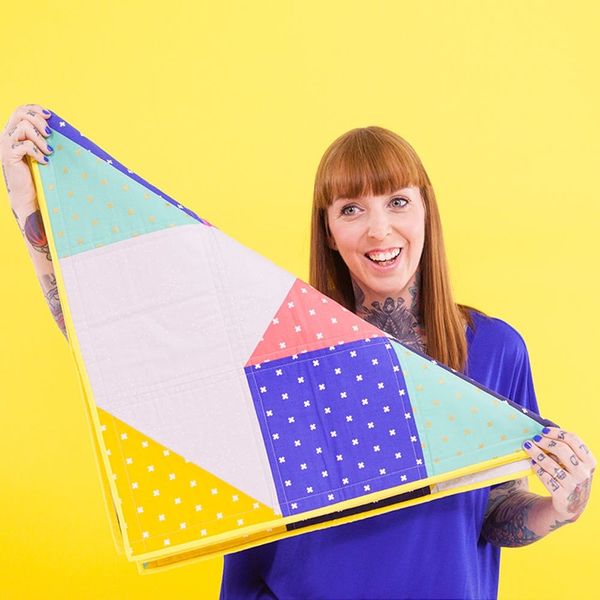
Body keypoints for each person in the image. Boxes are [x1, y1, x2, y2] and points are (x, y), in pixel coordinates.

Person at [1, 104, 595, 600]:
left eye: (397, 201)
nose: (379, 230)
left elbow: (493, 511)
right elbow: (121, 345)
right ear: (329, 231)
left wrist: (560, 507)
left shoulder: (493, 349)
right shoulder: (283, 342)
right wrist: (29, 204)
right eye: (351, 209)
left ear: (426, 211)